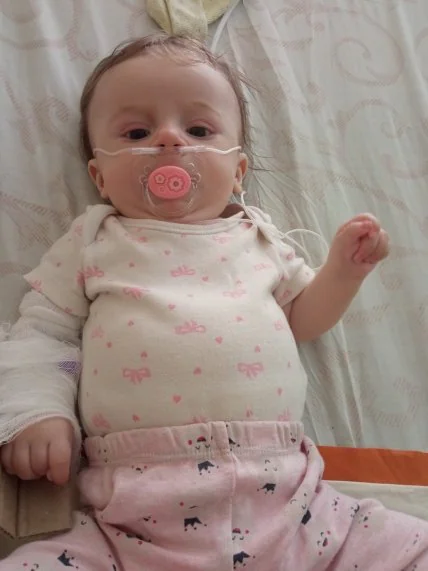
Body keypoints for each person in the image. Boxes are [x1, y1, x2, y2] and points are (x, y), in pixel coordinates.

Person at [0, 34, 425, 571]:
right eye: (136, 133)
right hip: (131, 516)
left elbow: (303, 317)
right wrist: (38, 414)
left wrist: (343, 272)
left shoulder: (258, 239)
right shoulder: (94, 241)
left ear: (238, 172)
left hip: (291, 502)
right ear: (99, 176)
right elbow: (45, 335)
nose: (169, 140)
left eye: (199, 130)